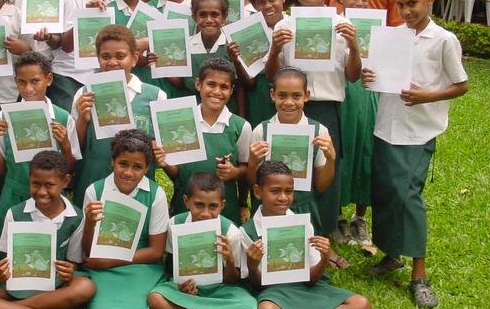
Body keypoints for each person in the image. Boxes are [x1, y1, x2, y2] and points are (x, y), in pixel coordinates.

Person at [362, 0, 468, 309]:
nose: (407, 11)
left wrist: (429, 96)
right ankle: (391, 255)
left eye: (413, 4)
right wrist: (369, 75)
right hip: (386, 126)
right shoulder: (390, 36)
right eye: (401, 5)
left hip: (419, 130)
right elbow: (377, 78)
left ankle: (419, 275)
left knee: (408, 196)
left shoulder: (443, 40)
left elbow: (461, 85)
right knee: (385, 191)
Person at [264, 0, 360, 268]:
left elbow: (354, 75)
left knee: (326, 177)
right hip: (291, 109)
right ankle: (290, 235)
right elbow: (271, 75)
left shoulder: (342, 25)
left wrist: (355, 46)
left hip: (327, 108)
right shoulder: (285, 26)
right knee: (291, 174)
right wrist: (276, 49)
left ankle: (325, 241)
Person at [241, 161, 377, 309]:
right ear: (258, 192)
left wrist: (324, 258)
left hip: (307, 289)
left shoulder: (301, 225)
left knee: (362, 304)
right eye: (275, 191)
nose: (283, 197)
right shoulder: (247, 232)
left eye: (289, 191)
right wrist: (252, 264)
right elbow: (257, 285)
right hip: (274, 294)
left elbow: (311, 280)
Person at [0, 150, 95, 309]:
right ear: (29, 180)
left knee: (85, 288)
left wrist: (69, 272)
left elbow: (73, 263)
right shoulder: (15, 213)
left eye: (49, 185)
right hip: (17, 284)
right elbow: (4, 258)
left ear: (66, 182)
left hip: (55, 285)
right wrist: (0, 272)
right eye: (36, 184)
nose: (42, 192)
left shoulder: (75, 217)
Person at [77, 129, 168, 309]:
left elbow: (156, 252)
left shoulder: (155, 195)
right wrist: (90, 222)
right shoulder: (95, 191)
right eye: (123, 164)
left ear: (147, 168)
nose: (128, 172)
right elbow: (89, 250)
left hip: (141, 266)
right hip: (103, 267)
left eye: (137, 167)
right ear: (112, 162)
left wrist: (111, 262)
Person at [147, 173, 256, 309]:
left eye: (213, 206)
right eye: (199, 205)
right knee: (155, 298)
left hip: (219, 291)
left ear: (222, 206)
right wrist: (182, 286)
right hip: (186, 291)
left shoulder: (230, 232)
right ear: (186, 201)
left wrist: (229, 259)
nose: (205, 213)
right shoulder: (175, 224)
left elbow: (233, 280)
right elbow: (171, 267)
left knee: (249, 308)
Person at [70, 25, 166, 208]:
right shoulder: (84, 94)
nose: (113, 62)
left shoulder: (155, 96)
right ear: (98, 59)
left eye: (120, 56)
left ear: (135, 58)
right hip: (93, 180)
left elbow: (162, 148)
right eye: (106, 57)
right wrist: (83, 118)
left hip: (137, 187)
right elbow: (76, 148)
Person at [0, 52, 81, 239]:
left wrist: (65, 145)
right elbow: (1, 169)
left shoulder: (63, 118)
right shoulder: (3, 117)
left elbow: (69, 167)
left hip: (50, 198)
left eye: (35, 81)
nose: (28, 88)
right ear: (16, 82)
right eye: (22, 82)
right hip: (14, 195)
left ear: (48, 79)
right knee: (10, 254)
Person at [154, 58, 251, 226]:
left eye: (224, 87)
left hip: (224, 211)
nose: (217, 91)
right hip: (186, 208)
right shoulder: (183, 122)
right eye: (211, 84)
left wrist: (234, 172)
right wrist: (165, 163)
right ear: (198, 84)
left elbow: (247, 169)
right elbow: (178, 174)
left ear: (231, 90)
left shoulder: (240, 127)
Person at [247, 67, 336, 234]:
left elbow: (321, 186)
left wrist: (331, 159)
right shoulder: (261, 131)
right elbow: (253, 183)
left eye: (296, 96)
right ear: (272, 95)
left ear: (306, 96)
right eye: (282, 95)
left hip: (304, 207)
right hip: (268, 209)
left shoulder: (319, 131)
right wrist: (252, 162)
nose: (289, 102)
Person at [333, 0, 376, 246]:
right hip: (342, 91)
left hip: (368, 93)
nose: (359, 3)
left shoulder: (377, 27)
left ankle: (360, 217)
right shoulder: (332, 25)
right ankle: (336, 216)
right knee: (341, 150)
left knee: (365, 149)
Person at [51, 0, 115, 111]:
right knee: (70, 120)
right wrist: (86, 16)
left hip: (98, 73)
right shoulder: (75, 1)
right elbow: (66, 46)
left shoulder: (114, 1)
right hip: (70, 74)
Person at [167, 0, 243, 116]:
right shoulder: (186, 46)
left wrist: (242, 118)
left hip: (227, 115)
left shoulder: (233, 45)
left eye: (214, 14)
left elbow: (241, 87)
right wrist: (161, 65)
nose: (208, 20)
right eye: (202, 14)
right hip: (194, 116)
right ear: (194, 17)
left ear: (224, 17)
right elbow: (181, 84)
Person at [231, 0, 287, 128]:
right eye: (261, 2)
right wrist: (237, 61)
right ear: (254, 6)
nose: (268, 5)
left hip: (289, 95)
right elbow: (249, 83)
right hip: (259, 98)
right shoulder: (249, 33)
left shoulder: (294, 25)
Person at [106, 0, 156, 83]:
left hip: (151, 80)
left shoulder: (154, 11)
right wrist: (144, 43)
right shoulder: (107, 12)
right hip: (120, 81)